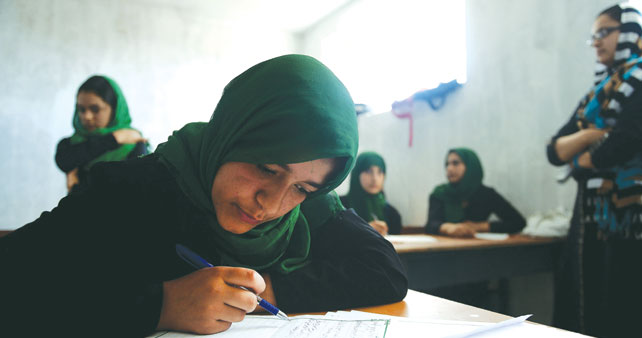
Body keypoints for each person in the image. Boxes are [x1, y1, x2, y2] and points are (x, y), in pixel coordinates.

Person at [0, 55, 407, 337]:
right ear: (233, 134)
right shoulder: (133, 188)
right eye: (266, 167)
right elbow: (14, 279)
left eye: (303, 187)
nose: (272, 205)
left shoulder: (310, 206)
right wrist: (160, 305)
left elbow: (385, 271)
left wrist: (263, 287)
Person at [546, 4, 642, 338]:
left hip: (639, 215)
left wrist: (578, 157)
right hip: (592, 214)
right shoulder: (598, 93)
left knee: (635, 306)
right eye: (592, 36)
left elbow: (621, 145)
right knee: (587, 306)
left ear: (632, 33)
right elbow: (553, 150)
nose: (596, 42)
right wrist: (590, 135)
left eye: (604, 32)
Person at [55, 75, 148, 194]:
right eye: (81, 109)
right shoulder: (69, 144)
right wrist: (115, 138)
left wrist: (77, 188)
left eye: (95, 109)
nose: (86, 116)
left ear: (114, 109)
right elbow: (64, 161)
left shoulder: (134, 144)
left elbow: (131, 193)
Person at [425, 148, 526, 237]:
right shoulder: (440, 194)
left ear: (471, 166)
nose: (449, 168)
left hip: (478, 250)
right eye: (447, 164)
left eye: (455, 163)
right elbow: (431, 225)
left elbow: (518, 222)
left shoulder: (486, 194)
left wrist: (479, 227)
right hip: (444, 251)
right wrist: (448, 228)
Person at [340, 152, 402, 235]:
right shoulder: (340, 207)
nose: (374, 178)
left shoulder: (392, 214)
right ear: (357, 174)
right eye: (369, 171)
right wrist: (364, 230)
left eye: (379, 172)